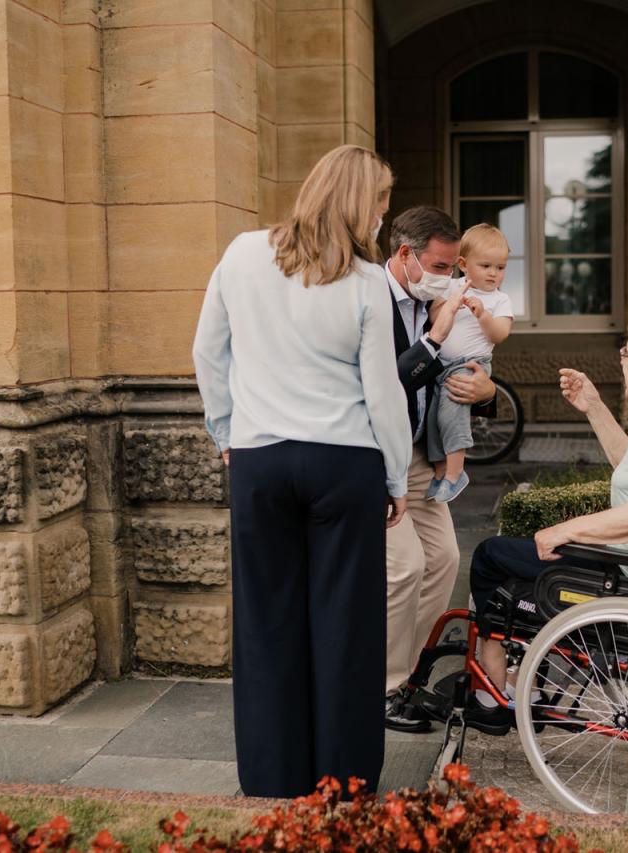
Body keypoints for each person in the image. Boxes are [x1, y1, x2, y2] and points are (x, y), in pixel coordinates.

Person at [192, 145, 411, 798]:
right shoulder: (369, 282)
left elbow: (208, 351)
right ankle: (342, 780)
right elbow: (383, 393)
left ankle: (271, 774)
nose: (381, 220)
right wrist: (396, 477)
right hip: (344, 462)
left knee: (266, 622)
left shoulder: (240, 253)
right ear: (357, 203)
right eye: (379, 205)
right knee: (346, 625)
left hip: (260, 459)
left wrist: (227, 431)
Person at [467, 308, 628, 726]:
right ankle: (523, 677)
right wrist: (593, 407)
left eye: (626, 354)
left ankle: (495, 691)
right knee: (526, 563)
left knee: (490, 557)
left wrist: (562, 529)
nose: (620, 360)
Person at [381, 206, 496, 732]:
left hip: (423, 455)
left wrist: (488, 391)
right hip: (379, 458)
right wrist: (432, 340)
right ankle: (378, 689)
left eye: (454, 267)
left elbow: (467, 372)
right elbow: (383, 385)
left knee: (445, 559)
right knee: (403, 567)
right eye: (443, 266)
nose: (450, 277)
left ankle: (404, 677)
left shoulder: (438, 300)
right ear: (405, 255)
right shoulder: (369, 299)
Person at [425, 223, 514, 502]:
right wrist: (447, 302)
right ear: (462, 264)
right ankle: (440, 471)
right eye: (486, 265)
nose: (493, 273)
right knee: (433, 420)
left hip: (471, 363)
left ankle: (456, 473)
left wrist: (483, 315)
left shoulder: (500, 299)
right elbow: (431, 316)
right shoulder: (450, 286)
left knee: (451, 414)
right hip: (440, 365)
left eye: (500, 268)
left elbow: (500, 335)